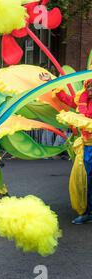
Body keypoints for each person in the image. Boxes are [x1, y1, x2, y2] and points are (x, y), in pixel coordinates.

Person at [54, 79, 92, 224]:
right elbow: (69, 101)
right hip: (86, 147)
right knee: (85, 179)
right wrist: (55, 87)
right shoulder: (83, 99)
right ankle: (88, 211)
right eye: (88, 85)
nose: (90, 88)